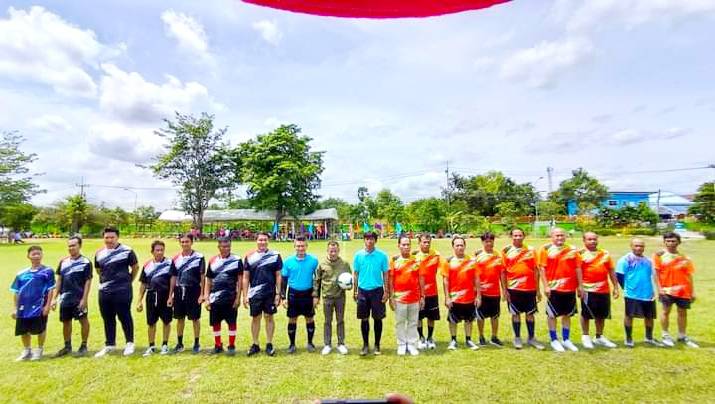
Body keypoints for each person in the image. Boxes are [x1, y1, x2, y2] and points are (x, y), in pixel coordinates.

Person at [94, 227, 139, 357]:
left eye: (112, 237)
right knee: (107, 318)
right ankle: (110, 344)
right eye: (106, 237)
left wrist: (128, 281)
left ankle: (129, 343)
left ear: (117, 237)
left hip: (122, 290)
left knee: (124, 316)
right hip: (104, 291)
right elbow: (98, 270)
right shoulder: (99, 253)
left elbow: (135, 267)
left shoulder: (127, 251)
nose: (109, 240)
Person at [538, 228, 583, 352]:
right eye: (557, 235)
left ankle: (566, 339)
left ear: (565, 236)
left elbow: (578, 268)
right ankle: (554, 340)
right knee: (552, 315)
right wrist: (546, 286)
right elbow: (542, 268)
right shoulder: (545, 249)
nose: (560, 238)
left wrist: (580, 285)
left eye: (562, 235)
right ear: (551, 237)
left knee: (567, 314)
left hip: (569, 288)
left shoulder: (572, 249)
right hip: (554, 288)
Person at [501, 228, 544, 350]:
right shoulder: (506, 251)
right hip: (513, 288)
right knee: (515, 313)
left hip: (529, 288)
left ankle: (531, 338)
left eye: (520, 235)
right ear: (511, 237)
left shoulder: (531, 250)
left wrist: (537, 290)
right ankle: (517, 338)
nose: (518, 237)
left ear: (524, 236)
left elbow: (536, 270)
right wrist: (504, 290)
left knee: (530, 314)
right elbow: (503, 272)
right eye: (515, 235)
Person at [653, 232, 698, 348]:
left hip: (683, 290)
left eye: (673, 241)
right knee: (665, 312)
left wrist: (692, 291)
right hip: (666, 290)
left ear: (678, 242)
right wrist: (659, 289)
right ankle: (665, 335)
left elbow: (689, 275)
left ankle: (682, 336)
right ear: (664, 242)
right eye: (668, 241)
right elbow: (656, 274)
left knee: (682, 313)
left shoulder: (685, 258)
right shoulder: (659, 256)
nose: (670, 243)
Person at [11, 245, 55, 361]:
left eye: (38, 254)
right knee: (23, 330)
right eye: (33, 254)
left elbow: (50, 289)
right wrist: (15, 308)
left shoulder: (48, 271)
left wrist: (47, 306)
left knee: (41, 328)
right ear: (28, 256)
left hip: (39, 306)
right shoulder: (21, 274)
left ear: (42, 255)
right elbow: (16, 292)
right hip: (23, 307)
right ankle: (27, 350)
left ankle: (39, 349)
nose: (36, 256)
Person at [243, 232, 283, 356]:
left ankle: (269, 344)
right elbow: (245, 277)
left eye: (265, 240)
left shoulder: (275, 256)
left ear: (268, 241)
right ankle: (255, 344)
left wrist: (278, 293)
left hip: (270, 293)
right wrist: (245, 295)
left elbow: (278, 275)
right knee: (255, 318)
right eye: (260, 240)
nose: (262, 242)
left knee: (269, 317)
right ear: (256, 241)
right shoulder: (249, 257)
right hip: (254, 293)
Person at [617, 238, 663, 348]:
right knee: (629, 315)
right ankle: (628, 338)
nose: (639, 248)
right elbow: (619, 275)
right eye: (636, 245)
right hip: (632, 294)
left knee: (649, 317)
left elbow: (655, 274)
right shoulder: (625, 260)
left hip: (648, 294)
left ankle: (649, 338)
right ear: (631, 246)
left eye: (641, 246)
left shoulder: (648, 261)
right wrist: (626, 288)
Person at [52, 236, 92, 357]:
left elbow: (88, 282)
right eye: (69, 246)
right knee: (66, 322)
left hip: (79, 298)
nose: (71, 248)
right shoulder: (63, 262)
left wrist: (84, 299)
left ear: (80, 246)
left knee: (83, 320)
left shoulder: (86, 262)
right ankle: (67, 346)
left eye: (74, 245)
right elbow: (59, 280)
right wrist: (54, 298)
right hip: (65, 298)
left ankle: (84, 345)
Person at [579, 232, 619, 349]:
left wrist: (615, 287)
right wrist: (579, 287)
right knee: (586, 314)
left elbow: (611, 270)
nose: (592, 241)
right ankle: (585, 336)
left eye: (594, 239)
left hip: (603, 289)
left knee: (601, 315)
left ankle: (599, 336)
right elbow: (577, 272)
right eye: (589, 239)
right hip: (587, 290)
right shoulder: (580, 254)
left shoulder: (605, 254)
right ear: (584, 241)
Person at [353, 231, 390, 356]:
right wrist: (355, 290)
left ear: (375, 241)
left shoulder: (382, 256)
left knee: (378, 319)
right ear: (364, 240)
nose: (369, 241)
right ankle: (365, 345)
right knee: (364, 319)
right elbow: (356, 273)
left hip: (377, 291)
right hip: (363, 291)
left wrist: (386, 291)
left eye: (372, 239)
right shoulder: (358, 255)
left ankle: (377, 345)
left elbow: (385, 274)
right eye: (367, 239)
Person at [204, 237, 243, 355]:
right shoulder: (212, 261)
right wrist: (207, 298)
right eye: (223, 246)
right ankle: (218, 345)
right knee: (215, 323)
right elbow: (208, 280)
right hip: (215, 298)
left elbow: (240, 280)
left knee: (232, 323)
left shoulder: (237, 260)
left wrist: (238, 298)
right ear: (218, 247)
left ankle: (231, 345)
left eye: (228, 246)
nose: (226, 249)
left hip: (230, 298)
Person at [168, 233, 206, 354]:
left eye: (187, 241)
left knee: (195, 318)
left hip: (194, 290)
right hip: (179, 290)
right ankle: (179, 343)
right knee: (180, 318)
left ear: (192, 242)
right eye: (182, 242)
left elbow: (202, 276)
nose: (184, 244)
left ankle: (196, 343)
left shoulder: (199, 257)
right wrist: (170, 295)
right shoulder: (175, 258)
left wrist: (202, 294)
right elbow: (173, 277)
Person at [281, 235, 319, 354]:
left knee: (309, 318)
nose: (300, 248)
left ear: (306, 246)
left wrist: (316, 296)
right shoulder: (288, 262)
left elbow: (317, 280)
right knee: (292, 319)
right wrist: (283, 297)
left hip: (308, 294)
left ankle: (310, 343)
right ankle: (292, 344)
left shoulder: (313, 261)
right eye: (298, 246)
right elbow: (283, 280)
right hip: (293, 294)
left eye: (302, 246)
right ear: (294, 246)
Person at [441, 236, 481, 351]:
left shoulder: (472, 261)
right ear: (453, 247)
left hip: (469, 297)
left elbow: (477, 279)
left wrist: (478, 296)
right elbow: (445, 280)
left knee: (469, 320)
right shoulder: (448, 261)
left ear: (465, 246)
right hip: (454, 298)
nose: (460, 247)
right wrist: (447, 297)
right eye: (457, 245)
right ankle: (453, 340)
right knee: (453, 320)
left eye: (461, 245)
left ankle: (468, 340)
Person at [313, 240, 351, 355]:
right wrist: (316, 296)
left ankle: (341, 343)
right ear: (327, 251)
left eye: (335, 251)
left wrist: (348, 286)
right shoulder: (322, 264)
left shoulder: (345, 264)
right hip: (327, 297)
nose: (333, 253)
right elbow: (317, 281)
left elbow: (350, 280)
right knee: (327, 321)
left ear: (338, 251)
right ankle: (327, 344)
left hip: (340, 297)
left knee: (340, 320)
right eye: (331, 251)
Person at [389, 235, 425, 356]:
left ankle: (411, 344)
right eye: (403, 244)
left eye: (408, 244)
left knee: (413, 322)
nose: (406, 247)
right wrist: (391, 297)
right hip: (399, 298)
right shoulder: (394, 261)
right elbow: (391, 280)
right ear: (398, 246)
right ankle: (401, 344)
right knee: (400, 322)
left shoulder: (417, 261)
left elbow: (421, 279)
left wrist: (422, 296)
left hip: (414, 298)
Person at [137, 240, 173, 356]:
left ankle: (165, 345)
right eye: (157, 250)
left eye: (162, 250)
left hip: (165, 296)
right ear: (152, 251)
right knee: (151, 323)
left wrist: (170, 296)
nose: (160, 252)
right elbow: (143, 284)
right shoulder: (147, 265)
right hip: (151, 296)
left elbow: (173, 280)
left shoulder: (169, 263)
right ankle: (151, 346)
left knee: (166, 321)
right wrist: (139, 301)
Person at [474, 232, 504, 347]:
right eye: (486, 241)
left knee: (495, 316)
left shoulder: (498, 256)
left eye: (491, 241)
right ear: (482, 242)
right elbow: (474, 275)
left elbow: (501, 274)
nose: (489, 243)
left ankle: (494, 337)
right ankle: (481, 336)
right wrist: (476, 293)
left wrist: (504, 290)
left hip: (495, 292)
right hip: (481, 292)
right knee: (480, 316)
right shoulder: (477, 256)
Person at [413, 233, 441, 350]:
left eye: (428, 242)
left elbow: (448, 262)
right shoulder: (414, 257)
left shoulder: (436, 255)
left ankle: (430, 337)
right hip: (418, 293)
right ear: (419, 243)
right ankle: (421, 337)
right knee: (418, 317)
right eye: (424, 242)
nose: (426, 244)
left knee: (431, 316)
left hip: (432, 292)